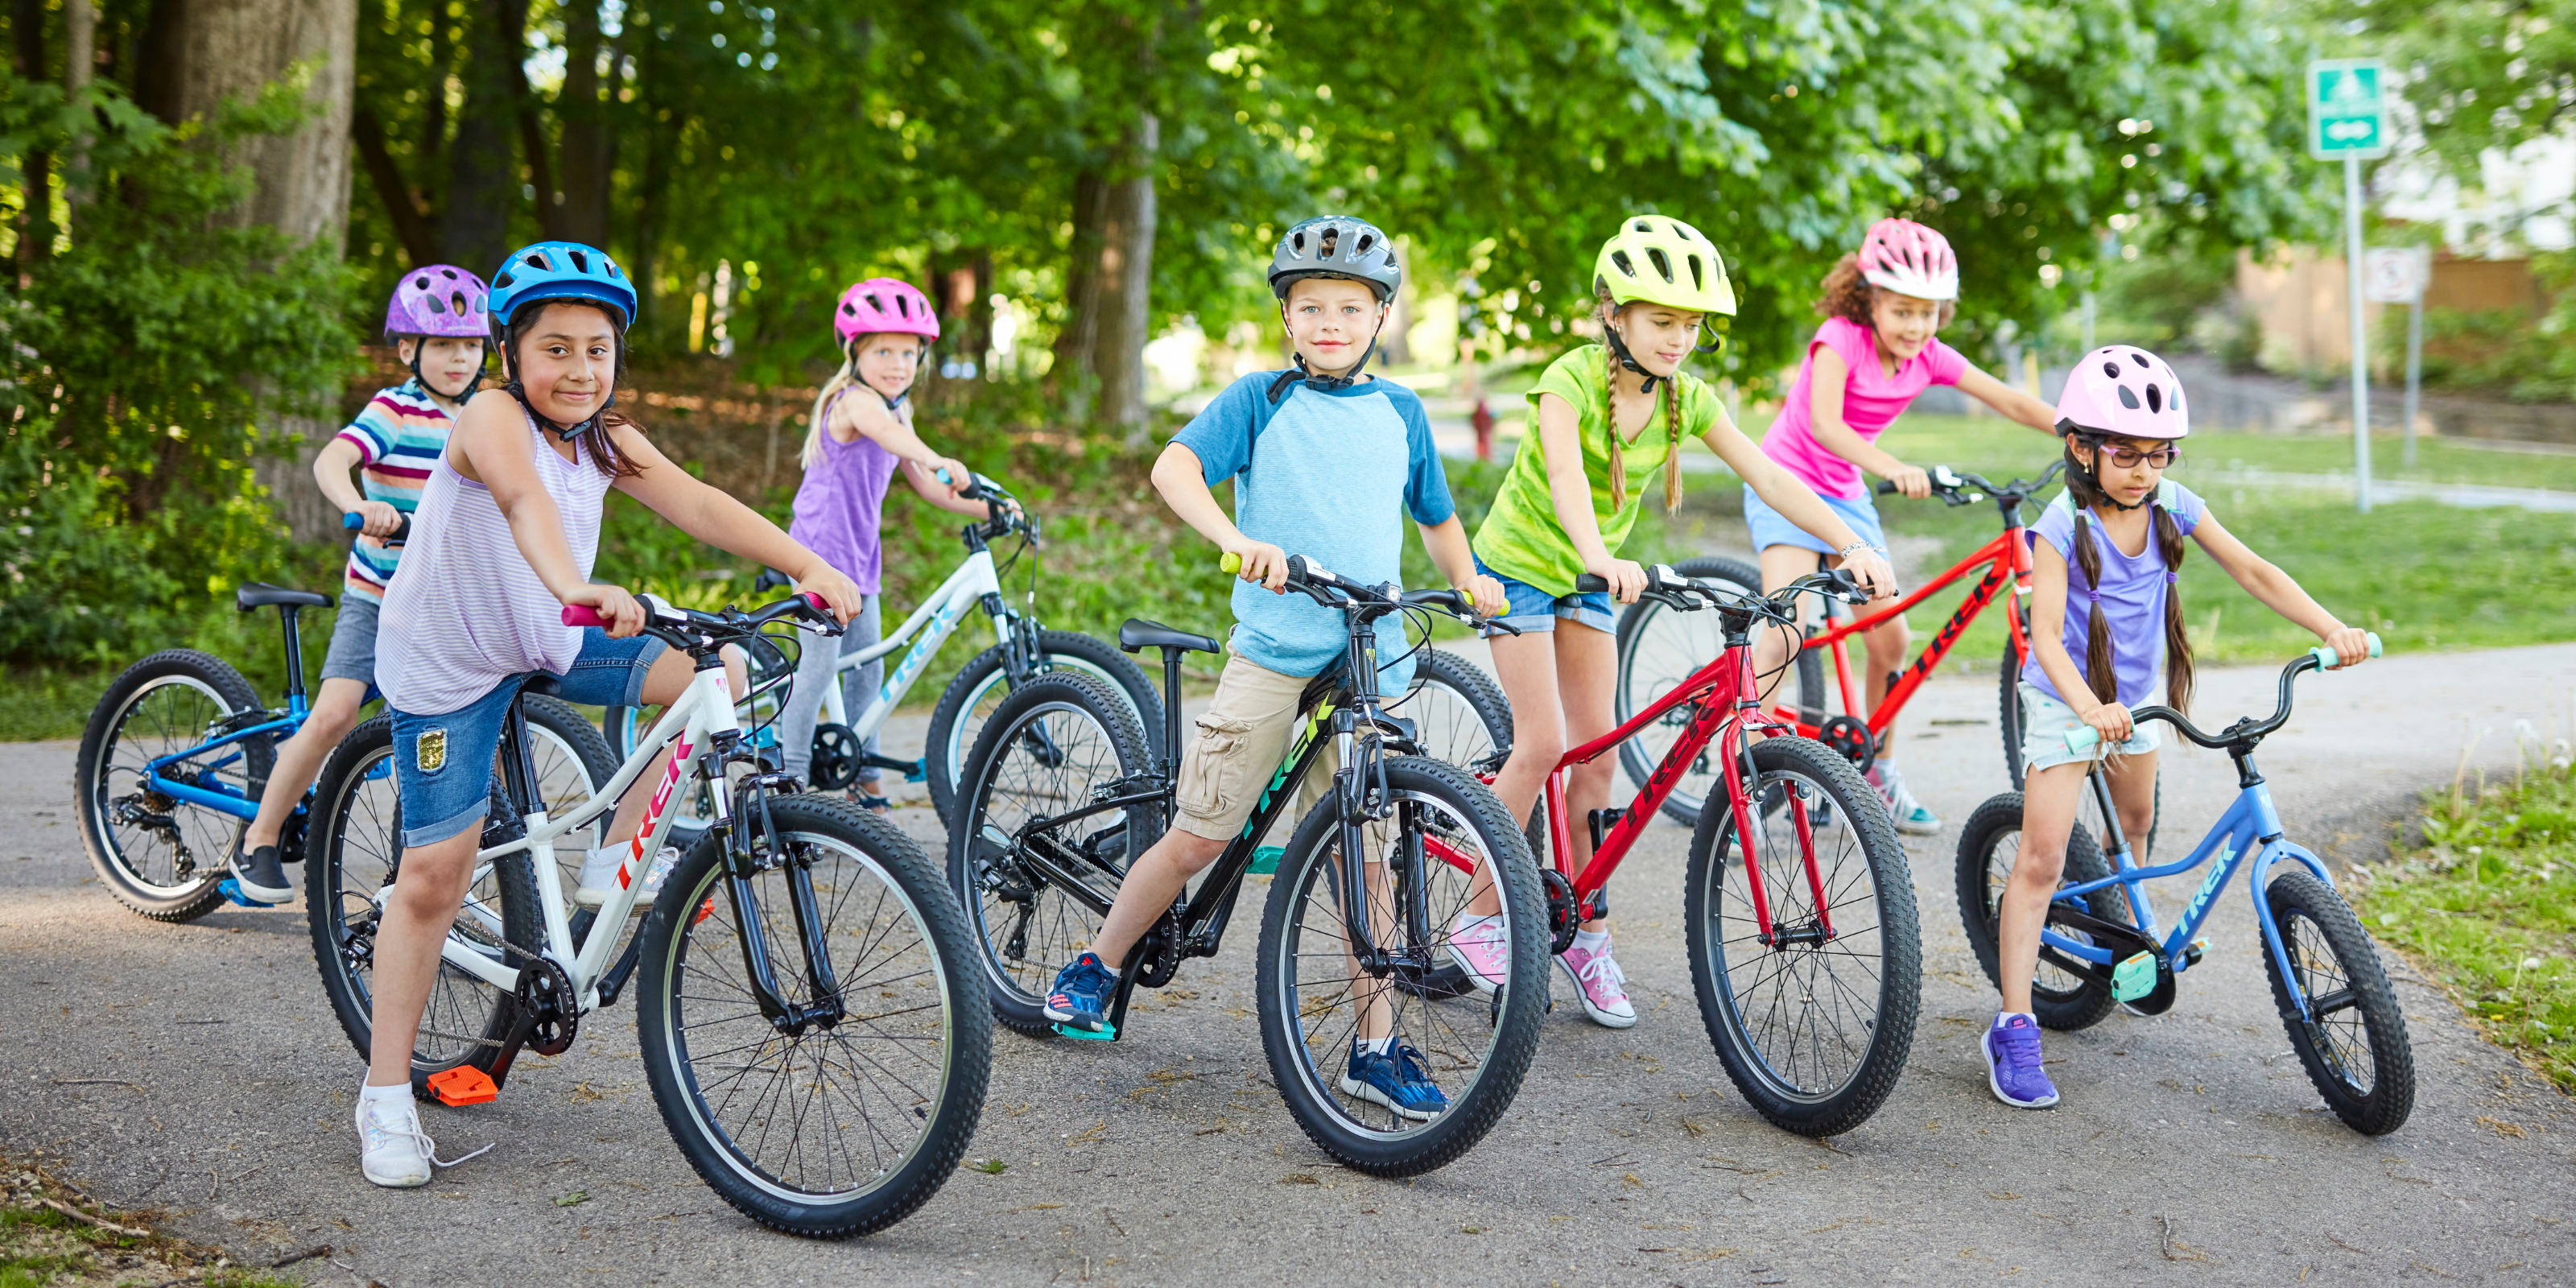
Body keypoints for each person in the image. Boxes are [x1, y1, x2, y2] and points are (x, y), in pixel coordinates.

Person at [353, 242, 863, 1188]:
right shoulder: (492, 419)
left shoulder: (605, 434)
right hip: (452, 659)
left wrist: (805, 564)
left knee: (727, 668)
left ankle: (619, 859)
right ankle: (385, 1096)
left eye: (598, 349)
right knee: (433, 874)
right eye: (556, 349)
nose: (580, 369)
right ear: (511, 354)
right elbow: (519, 502)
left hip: (550, 635)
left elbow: (699, 502)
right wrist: (577, 582)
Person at [1042, 215, 1505, 1118]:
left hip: (1366, 656)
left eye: (1348, 306)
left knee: (1364, 855)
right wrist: (1236, 537)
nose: (1329, 321)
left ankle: (1372, 1045)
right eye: (1309, 306)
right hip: (1275, 652)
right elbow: (1175, 470)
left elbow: (1437, 517)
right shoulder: (1259, 400)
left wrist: (1470, 580)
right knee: (1201, 833)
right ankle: (1096, 964)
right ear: (1286, 319)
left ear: (1378, 318)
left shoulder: (1400, 412)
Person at [1463, 214, 1899, 1028]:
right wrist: (1597, 553)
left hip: (1587, 583)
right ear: (1613, 314)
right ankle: (1477, 915)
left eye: (1689, 324)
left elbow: (1769, 476)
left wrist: (1846, 540)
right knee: (1544, 744)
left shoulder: (1684, 399)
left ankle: (1585, 935)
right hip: (1521, 571)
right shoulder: (1566, 381)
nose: (1677, 339)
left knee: (1595, 763)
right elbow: (1563, 475)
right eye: (1661, 320)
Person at [1987, 346, 2372, 1109]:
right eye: (2126, 454)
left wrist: (2334, 628)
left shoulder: (2174, 508)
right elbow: (2046, 633)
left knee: (2135, 823)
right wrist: (2088, 709)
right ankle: (2014, 1025)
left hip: (2135, 702)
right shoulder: (2060, 525)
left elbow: (2254, 570)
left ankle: (2128, 931)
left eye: (2158, 455)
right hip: (2071, 702)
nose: (2143, 470)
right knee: (2040, 859)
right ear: (2080, 448)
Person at [1747, 217, 2058, 835]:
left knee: (1890, 638)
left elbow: (2012, 400)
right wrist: (1894, 466)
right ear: (1870, 300)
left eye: (1929, 312)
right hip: (1784, 483)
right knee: (1785, 630)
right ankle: (1744, 780)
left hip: (1845, 495)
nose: (1916, 326)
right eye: (1902, 311)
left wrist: (2084, 430)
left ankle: (1877, 774)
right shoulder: (1840, 338)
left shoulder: (1930, 357)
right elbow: (1827, 426)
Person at [226, 266, 491, 906]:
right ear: (409, 351)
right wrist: (358, 504)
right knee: (337, 714)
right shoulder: (396, 410)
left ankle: (434, 868)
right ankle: (259, 838)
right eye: (444, 345)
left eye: (472, 345)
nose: (461, 358)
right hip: (379, 595)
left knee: (449, 731)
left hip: (443, 605)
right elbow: (332, 459)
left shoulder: (485, 417)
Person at [773, 278, 1006, 809]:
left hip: (859, 557)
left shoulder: (900, 411)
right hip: (815, 552)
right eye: (883, 351)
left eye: (908, 352)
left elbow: (927, 487)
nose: (898, 363)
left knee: (866, 669)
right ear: (855, 352)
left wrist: (990, 507)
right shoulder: (854, 402)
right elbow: (890, 436)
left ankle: (865, 777)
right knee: (818, 666)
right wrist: (938, 456)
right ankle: (784, 784)